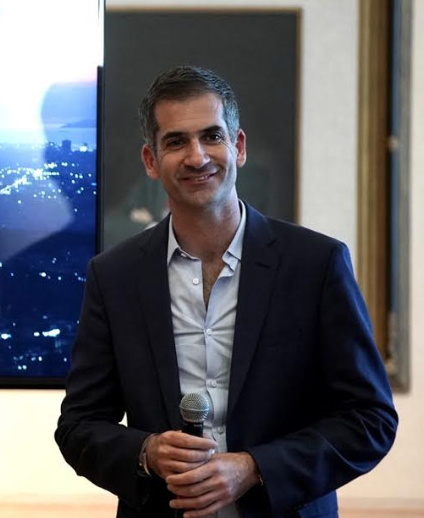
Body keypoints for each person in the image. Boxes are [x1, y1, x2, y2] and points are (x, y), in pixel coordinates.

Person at [55, 66, 397, 518]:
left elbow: (370, 419)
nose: (197, 157)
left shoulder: (316, 264)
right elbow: (79, 426)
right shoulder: (114, 276)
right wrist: (146, 452)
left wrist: (255, 468)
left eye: (212, 136)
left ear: (238, 146)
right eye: (176, 142)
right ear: (151, 161)